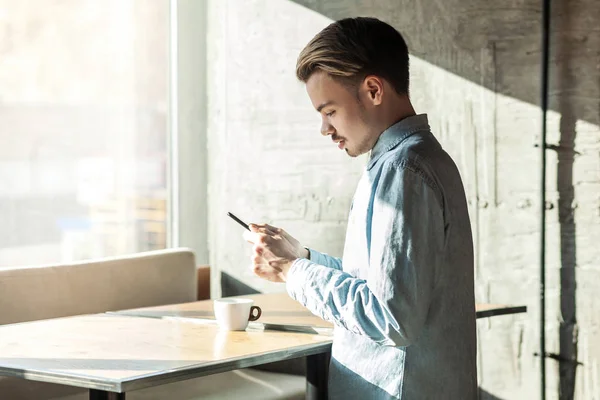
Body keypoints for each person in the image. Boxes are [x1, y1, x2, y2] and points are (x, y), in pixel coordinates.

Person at [243, 17, 477, 400]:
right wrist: (302, 257)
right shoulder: (409, 162)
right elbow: (381, 285)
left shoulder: (404, 172)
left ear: (372, 89)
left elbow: (390, 317)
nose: (324, 128)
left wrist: (291, 271)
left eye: (329, 111)